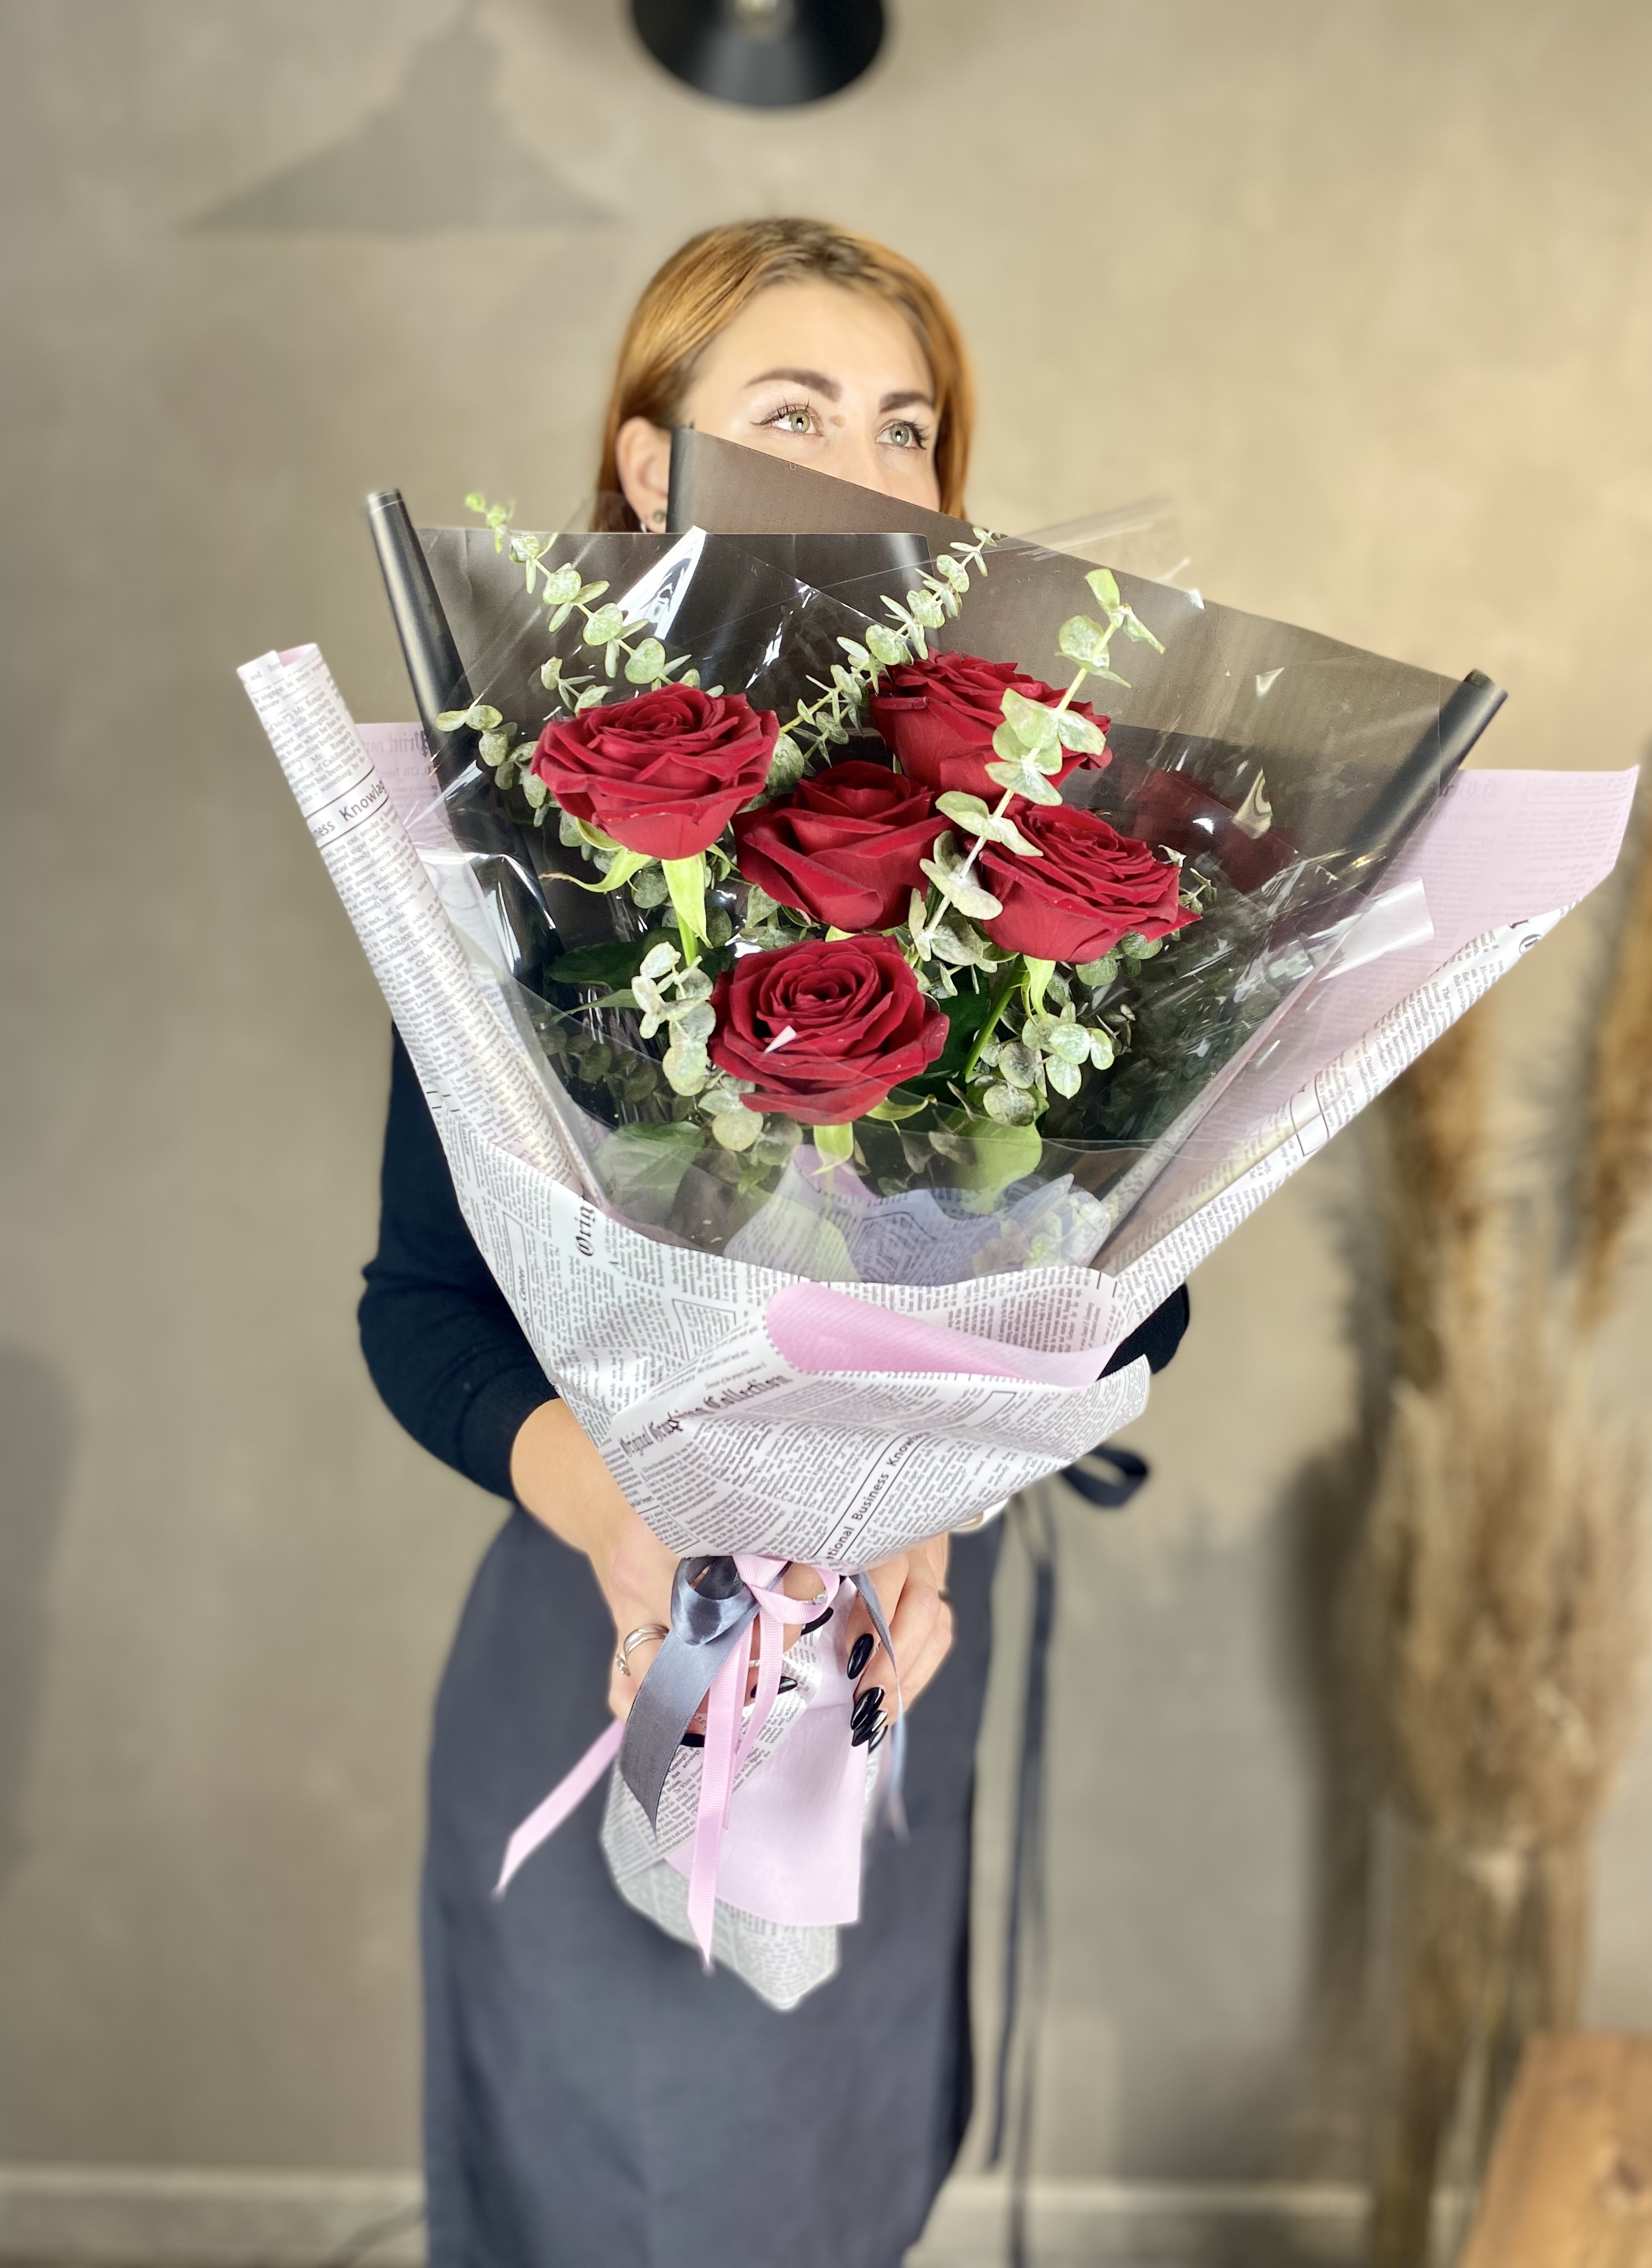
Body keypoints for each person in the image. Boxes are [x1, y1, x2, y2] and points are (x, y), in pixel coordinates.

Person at [358, 217, 1189, 2268]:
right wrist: (628, 1517)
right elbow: (424, 1309)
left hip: (892, 1650)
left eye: (906, 430)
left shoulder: (1028, 844)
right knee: (592, 2190)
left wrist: (924, 1500)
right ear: (652, 468)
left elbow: (1140, 1280)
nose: (863, 469)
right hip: (598, 1629)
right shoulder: (526, 847)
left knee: (838, 2185)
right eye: (794, 414)